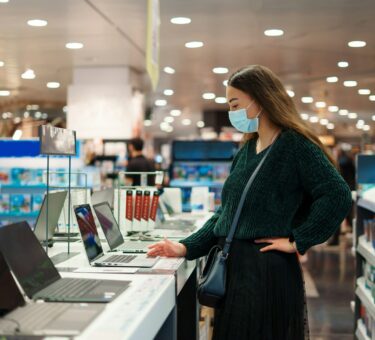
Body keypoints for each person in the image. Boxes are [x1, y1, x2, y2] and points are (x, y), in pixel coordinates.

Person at [147, 65, 352, 340]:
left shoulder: (294, 145)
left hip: (267, 272)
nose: (232, 113)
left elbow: (337, 194)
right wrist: (186, 247)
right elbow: (226, 215)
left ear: (261, 99)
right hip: (237, 271)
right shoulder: (246, 150)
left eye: (235, 104)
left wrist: (298, 240)